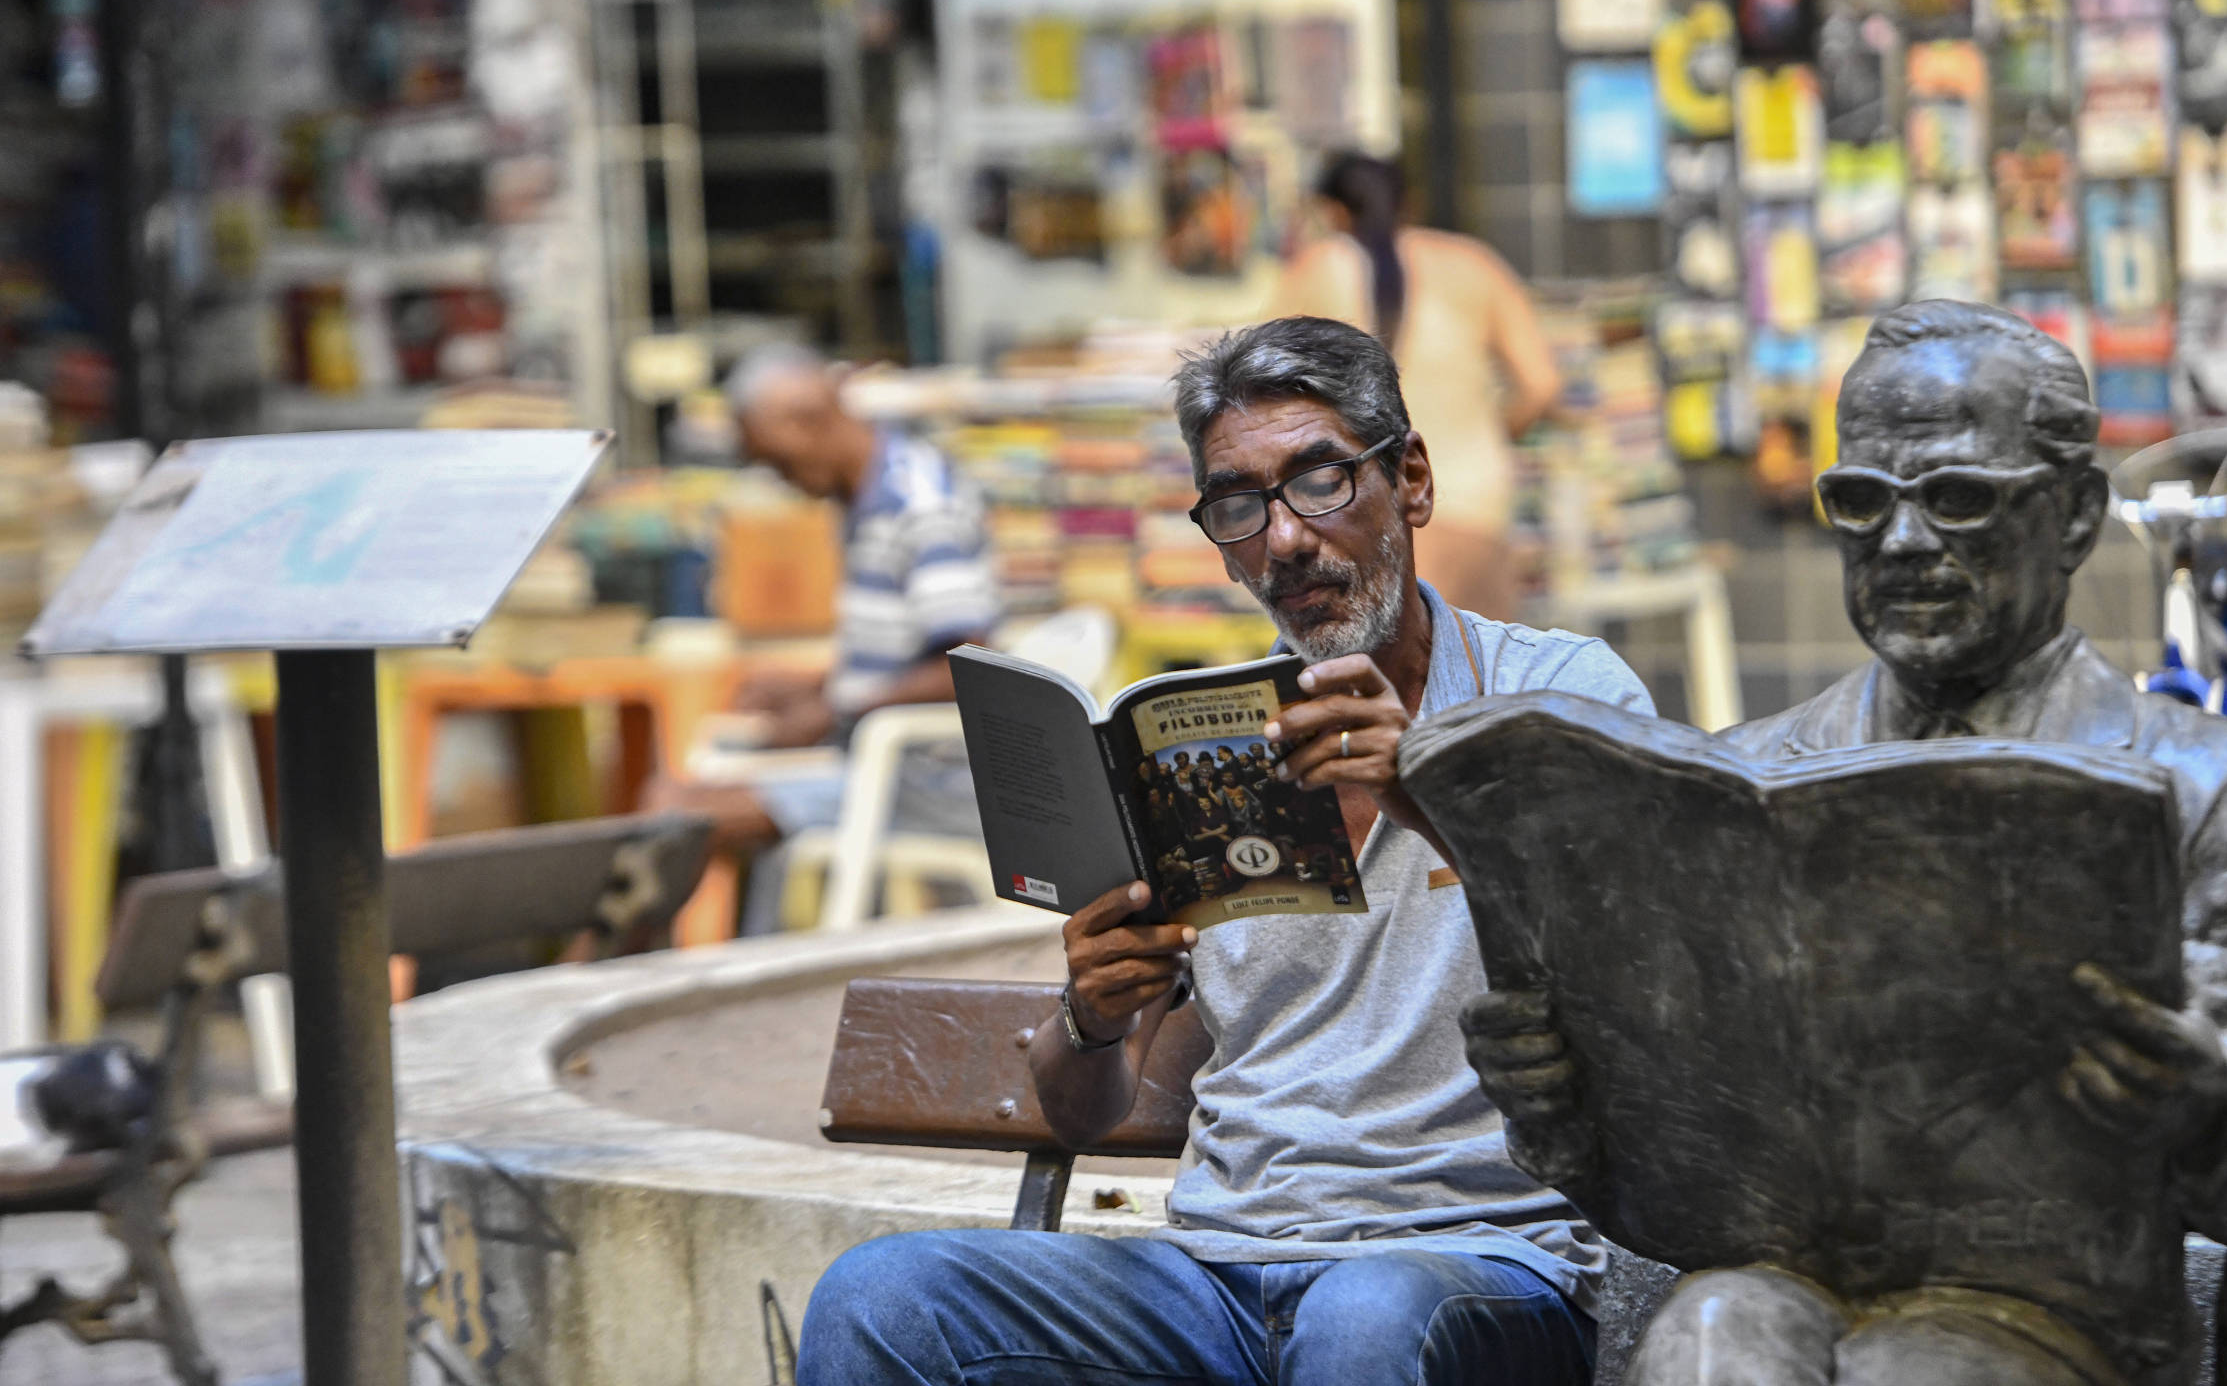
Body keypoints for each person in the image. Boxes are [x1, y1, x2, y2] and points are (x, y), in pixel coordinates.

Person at [1465, 301, 2227, 1386]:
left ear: (2072, 514)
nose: (1906, 540)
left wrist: (2204, 1100)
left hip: (2065, 1331)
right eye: (1863, 501)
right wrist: (1562, 1103)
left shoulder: (2201, 785)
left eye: (1960, 499)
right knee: (1707, 1333)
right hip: (1780, 1283)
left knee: (1914, 1368)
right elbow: (1666, 1189)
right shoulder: (1744, 781)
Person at [794, 316, 1654, 1386]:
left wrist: (1434, 795)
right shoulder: (1199, 748)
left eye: (1321, 481)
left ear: (1413, 481)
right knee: (881, 1302)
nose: (1286, 539)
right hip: (1217, 1277)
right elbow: (1083, 1109)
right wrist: (1092, 1012)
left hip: (1472, 1265)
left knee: (1366, 1316)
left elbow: (1650, 976)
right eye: (1240, 504)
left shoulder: (1563, 697)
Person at [650, 344, 1001, 932]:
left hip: (922, 782)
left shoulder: (918, 501)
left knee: (671, 815)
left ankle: (602, 979)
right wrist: (812, 687)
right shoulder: (868, 497)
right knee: (683, 793)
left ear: (807, 423)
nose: (778, 478)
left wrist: (833, 707)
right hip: (879, 767)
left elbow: (970, 663)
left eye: (777, 461)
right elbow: (908, 654)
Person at [1270, 152, 1562, 620]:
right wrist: (1486, 436)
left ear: (1333, 212)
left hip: (1363, 513)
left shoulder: (1318, 269)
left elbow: (1261, 401)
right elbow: (1542, 384)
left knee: (1384, 684)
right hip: (1477, 504)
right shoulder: (1473, 264)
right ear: (1411, 202)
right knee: (1482, 681)